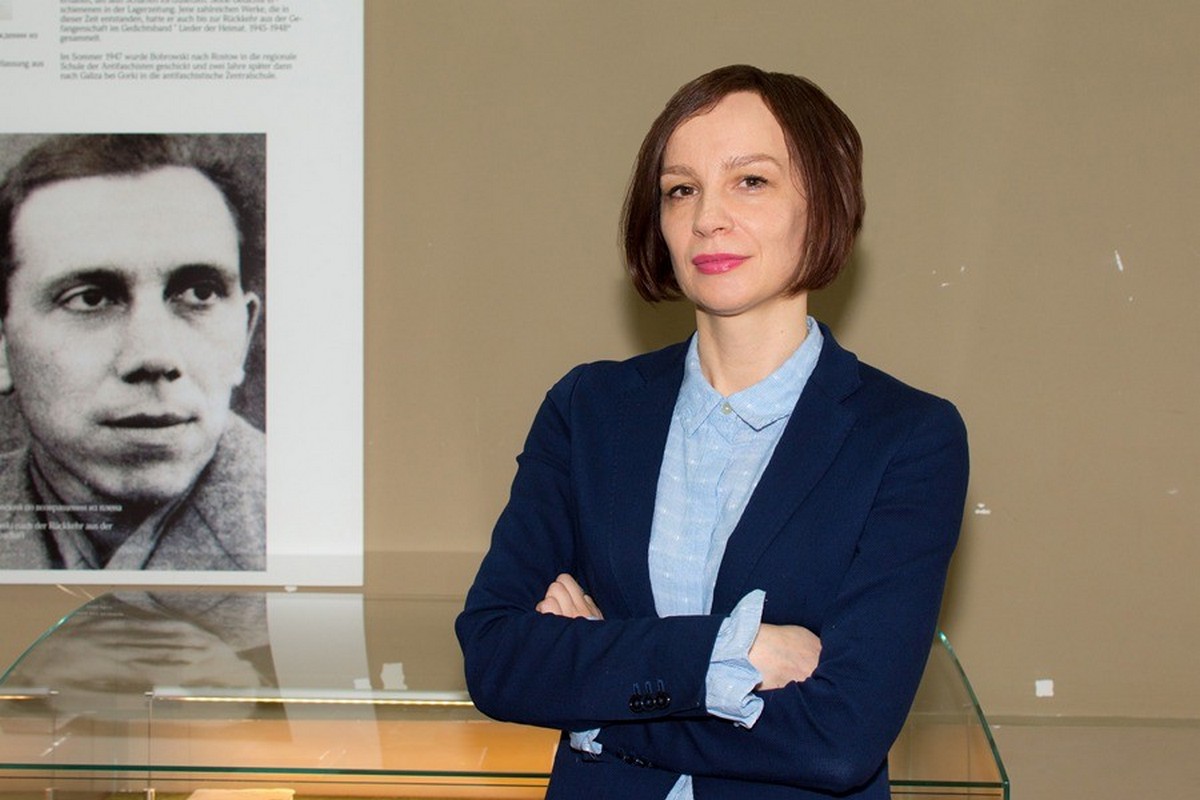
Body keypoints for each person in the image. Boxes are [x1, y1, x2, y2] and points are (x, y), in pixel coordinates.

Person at [456, 65, 969, 799]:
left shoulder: (908, 437)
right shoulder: (588, 409)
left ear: (825, 202)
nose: (707, 218)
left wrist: (595, 702)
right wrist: (728, 652)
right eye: (681, 189)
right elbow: (497, 658)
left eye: (750, 181)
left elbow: (838, 740)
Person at [0, 134, 265, 571]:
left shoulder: (319, 515)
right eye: (90, 299)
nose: (154, 357)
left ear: (245, 334)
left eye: (200, 294)